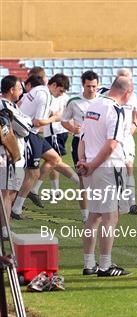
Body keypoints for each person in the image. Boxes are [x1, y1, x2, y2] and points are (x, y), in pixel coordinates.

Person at [78, 76, 133, 277]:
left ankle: (88, 263)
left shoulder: (94, 105)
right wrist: (92, 165)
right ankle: (105, 265)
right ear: (127, 92)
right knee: (110, 217)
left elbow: (82, 139)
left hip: (90, 166)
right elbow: (111, 145)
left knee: (93, 216)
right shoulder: (115, 110)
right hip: (107, 167)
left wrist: (83, 162)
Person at [12, 74, 79, 219]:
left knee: (55, 158)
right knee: (33, 173)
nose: (60, 95)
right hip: (28, 133)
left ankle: (34, 190)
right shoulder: (46, 96)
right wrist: (55, 118)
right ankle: (16, 208)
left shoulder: (38, 89)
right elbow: (38, 122)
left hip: (31, 132)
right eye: (60, 91)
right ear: (54, 85)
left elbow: (20, 103)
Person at [97, 69, 137, 215]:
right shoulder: (104, 95)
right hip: (110, 136)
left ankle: (132, 202)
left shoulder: (132, 96)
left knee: (129, 167)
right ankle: (114, 201)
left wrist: (131, 130)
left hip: (125, 139)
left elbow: (135, 117)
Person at [62, 70, 100, 223]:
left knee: (100, 178)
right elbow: (64, 120)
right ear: (83, 85)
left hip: (98, 144)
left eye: (94, 86)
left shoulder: (103, 101)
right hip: (80, 144)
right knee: (83, 179)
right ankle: (85, 215)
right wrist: (72, 129)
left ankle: (99, 211)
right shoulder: (74, 101)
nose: (91, 89)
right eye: (88, 86)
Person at [0, 75, 32, 237]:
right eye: (19, 88)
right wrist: (27, 121)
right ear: (11, 90)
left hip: (12, 156)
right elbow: (25, 128)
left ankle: (5, 227)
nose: (21, 92)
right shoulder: (5, 106)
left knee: (10, 192)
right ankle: (5, 230)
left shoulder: (11, 105)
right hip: (8, 156)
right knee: (6, 192)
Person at [44, 86, 69, 198]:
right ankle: (55, 190)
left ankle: (56, 190)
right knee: (54, 160)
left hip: (54, 132)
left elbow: (54, 114)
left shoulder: (54, 97)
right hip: (58, 131)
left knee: (54, 160)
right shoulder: (65, 97)